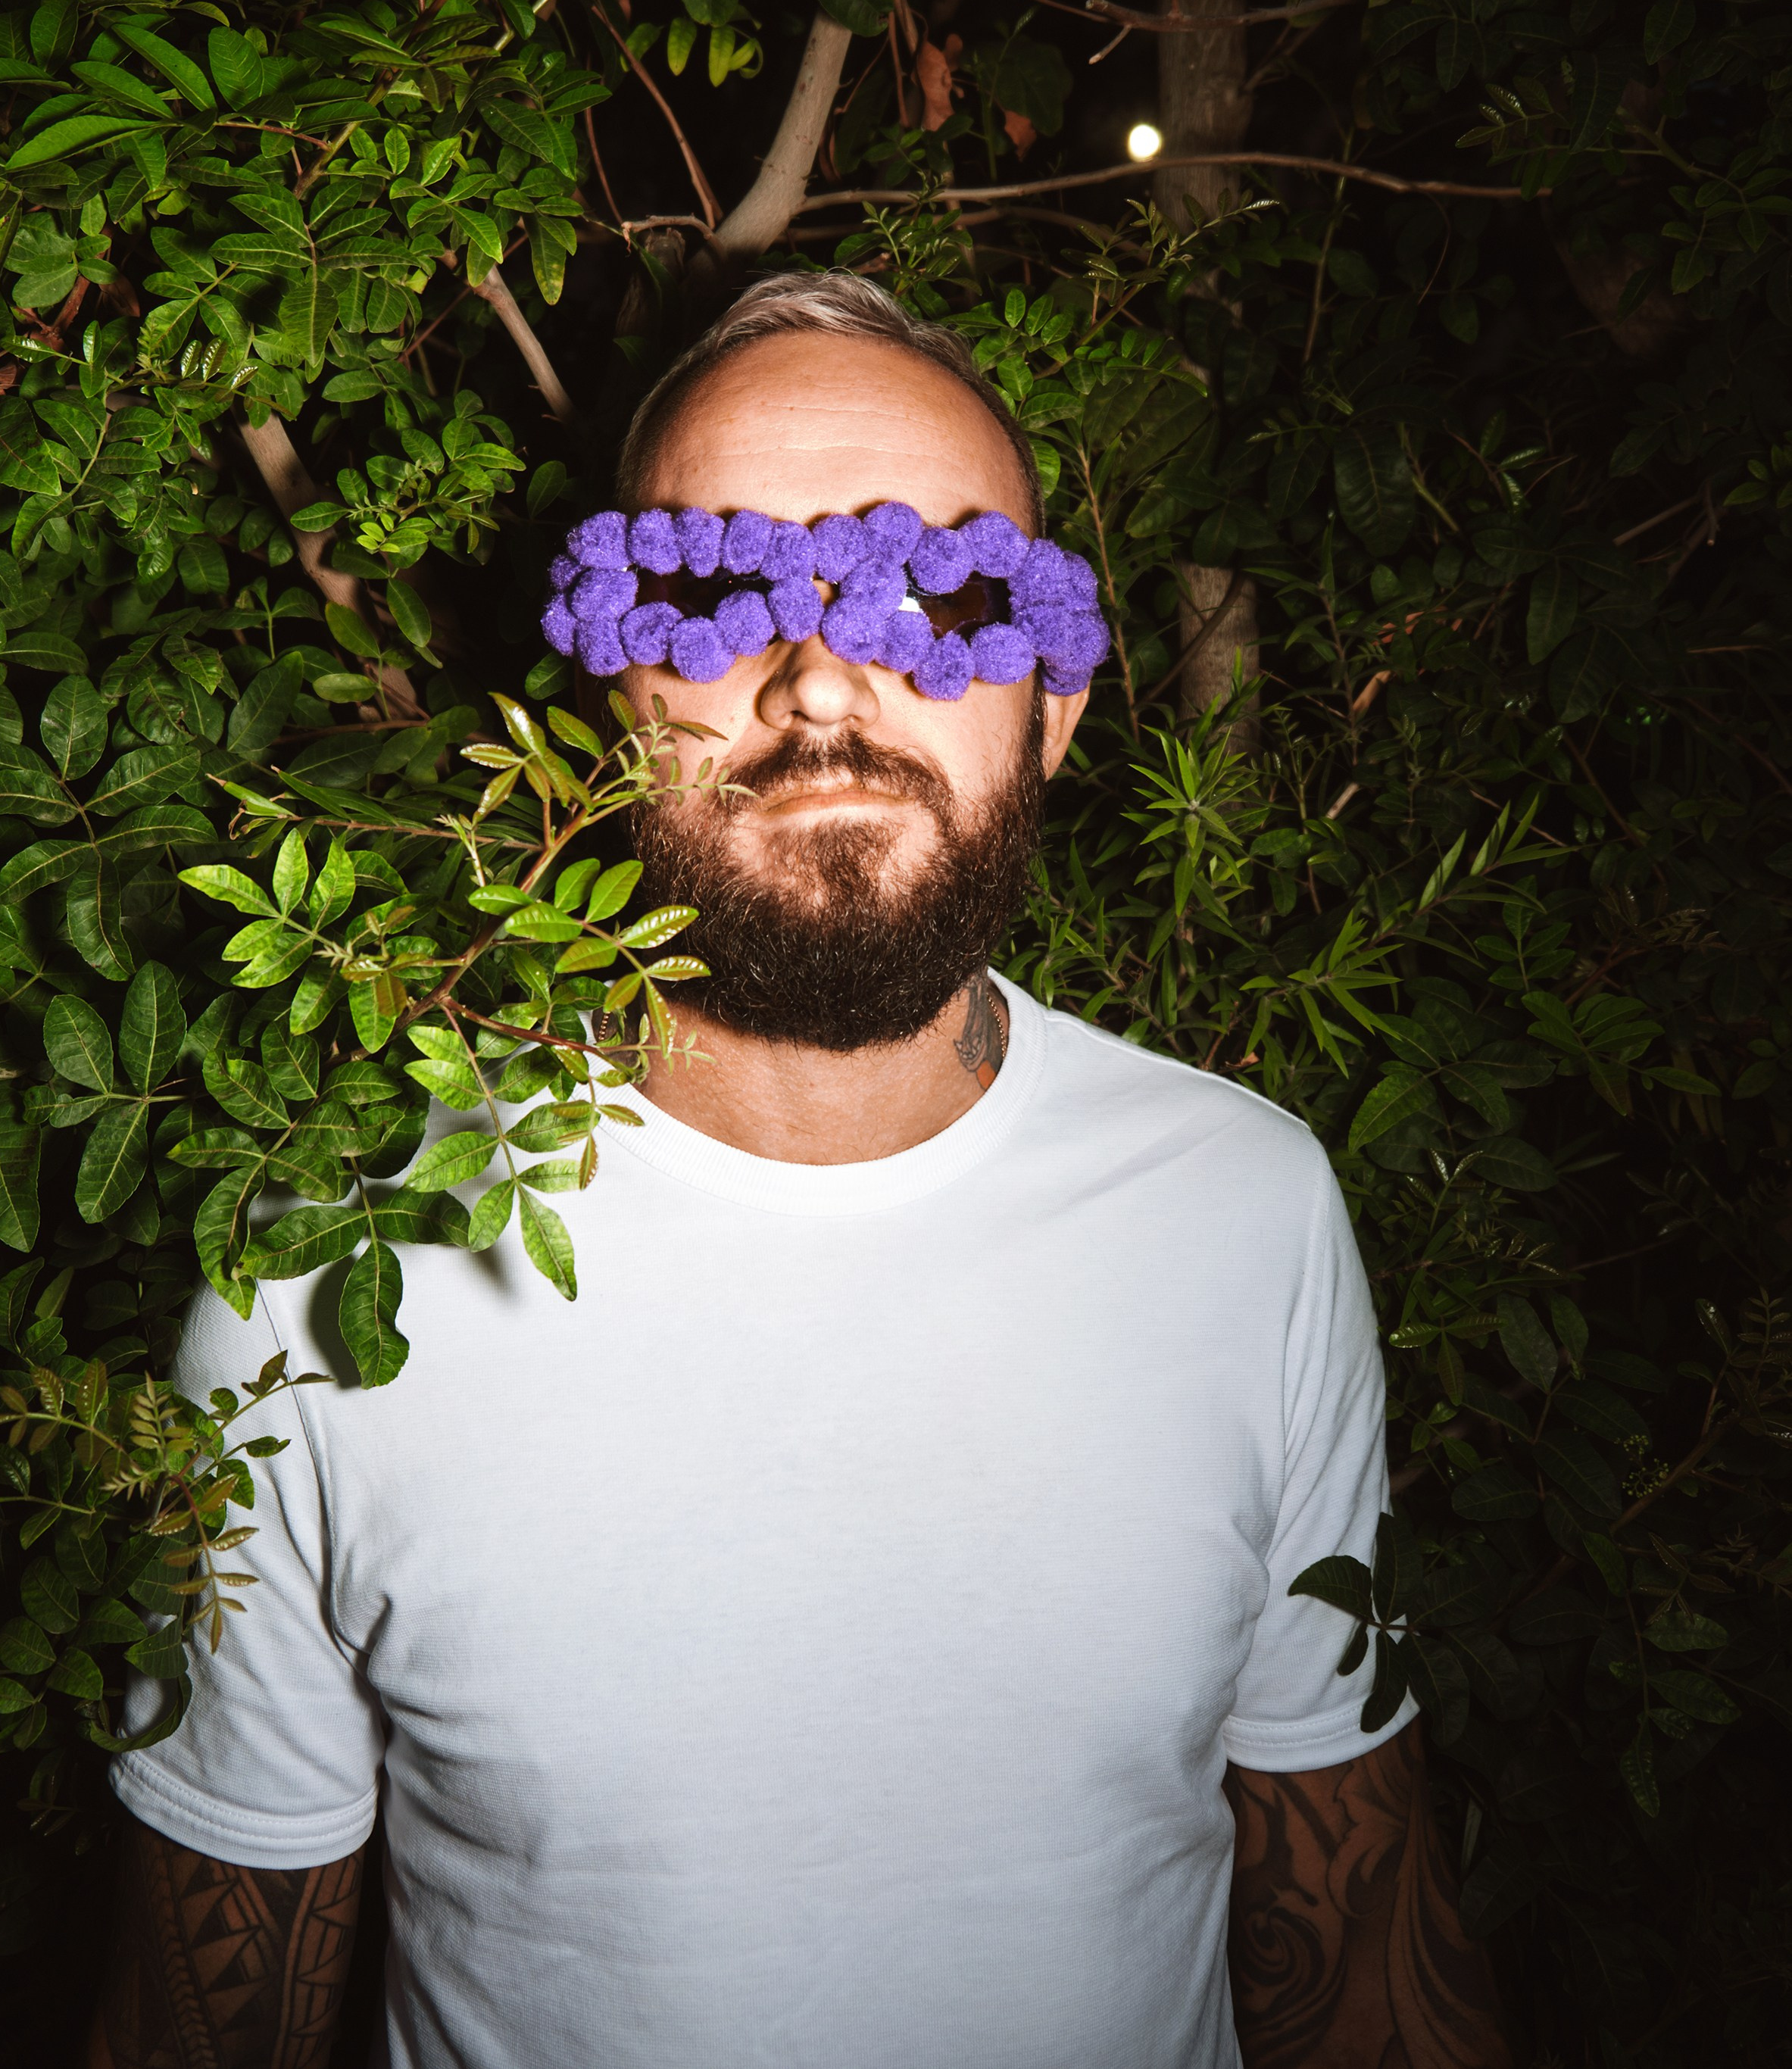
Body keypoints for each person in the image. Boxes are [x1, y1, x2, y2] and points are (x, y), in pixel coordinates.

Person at [91, 273, 1512, 2069]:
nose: (829, 674)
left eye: (953, 593)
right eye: (706, 587)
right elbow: (200, 2014)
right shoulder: (323, 1285)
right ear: (608, 696)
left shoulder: (1248, 1212)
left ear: (1056, 709)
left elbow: (1358, 1911)